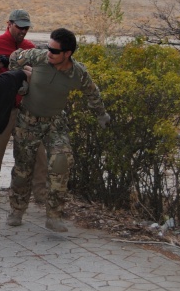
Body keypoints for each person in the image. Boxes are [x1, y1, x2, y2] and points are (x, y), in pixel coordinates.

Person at [6, 28, 111, 232]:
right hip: (28, 120)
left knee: (61, 162)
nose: (49, 53)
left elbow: (92, 92)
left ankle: (54, 215)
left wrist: (101, 114)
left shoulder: (77, 73)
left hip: (55, 121)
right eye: (48, 47)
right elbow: (14, 57)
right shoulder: (38, 56)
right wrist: (19, 81)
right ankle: (17, 210)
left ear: (67, 53)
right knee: (23, 169)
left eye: (54, 51)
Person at [0, 9, 40, 210]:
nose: (23, 31)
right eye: (19, 26)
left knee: (31, 154)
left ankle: (33, 196)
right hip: (0, 110)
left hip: (25, 110)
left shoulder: (31, 48)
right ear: (9, 24)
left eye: (26, 27)